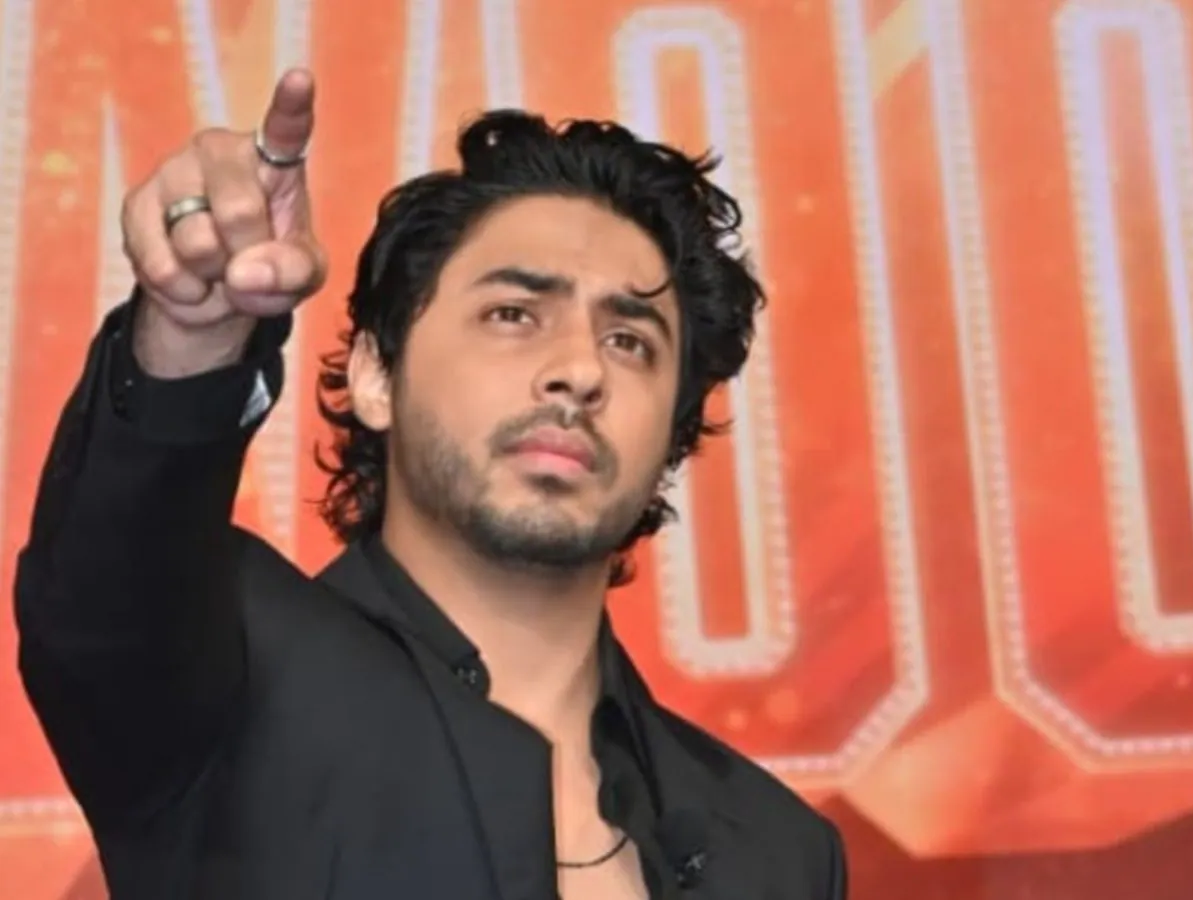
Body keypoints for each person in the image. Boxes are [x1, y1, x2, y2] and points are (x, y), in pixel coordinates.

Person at [15, 69, 847, 900]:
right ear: (377, 375)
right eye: (514, 314)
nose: (580, 369)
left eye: (630, 341)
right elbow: (109, 582)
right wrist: (192, 331)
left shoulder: (780, 852)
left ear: (671, 431)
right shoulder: (225, 669)